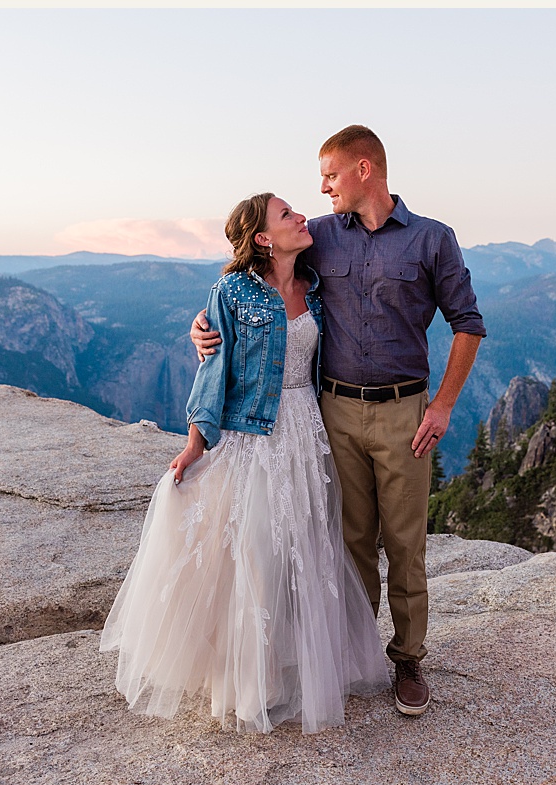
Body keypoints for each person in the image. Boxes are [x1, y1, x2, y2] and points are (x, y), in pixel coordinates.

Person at [190, 125, 486, 716]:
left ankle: (407, 660)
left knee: (403, 544)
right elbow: (255, 279)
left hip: (407, 413)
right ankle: (350, 658)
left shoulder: (432, 240)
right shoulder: (319, 236)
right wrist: (202, 324)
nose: (322, 188)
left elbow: (468, 324)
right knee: (344, 542)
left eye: (330, 175)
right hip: (331, 413)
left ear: (364, 170)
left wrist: (444, 404)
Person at [100, 193, 390, 734]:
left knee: (303, 550)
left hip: (308, 428)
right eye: (286, 215)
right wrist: (194, 441)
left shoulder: (317, 283)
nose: (301, 217)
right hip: (254, 433)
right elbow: (214, 366)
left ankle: (294, 667)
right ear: (262, 237)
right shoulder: (232, 291)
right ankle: (254, 685)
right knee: (257, 548)